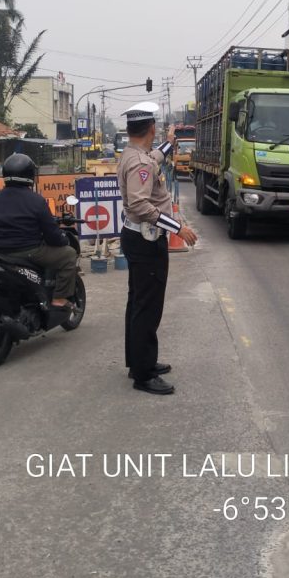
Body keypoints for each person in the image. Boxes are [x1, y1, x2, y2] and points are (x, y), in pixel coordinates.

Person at [117, 102, 198, 395]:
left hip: (136, 237)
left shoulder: (135, 154)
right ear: (151, 128)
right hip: (146, 240)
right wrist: (179, 228)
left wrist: (169, 142)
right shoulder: (138, 163)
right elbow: (140, 203)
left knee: (137, 303)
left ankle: (137, 361)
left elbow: (154, 158)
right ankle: (143, 373)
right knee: (147, 307)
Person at [0, 153, 77, 312]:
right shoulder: (36, 201)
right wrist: (63, 240)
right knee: (68, 255)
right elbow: (52, 235)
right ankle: (59, 298)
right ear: (29, 175)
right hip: (27, 252)